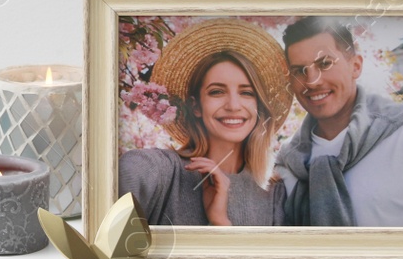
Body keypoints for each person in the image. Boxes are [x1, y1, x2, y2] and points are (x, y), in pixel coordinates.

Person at [119, 19, 292, 226]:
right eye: (217, 92)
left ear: (259, 107)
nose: (233, 105)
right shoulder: (160, 170)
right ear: (196, 107)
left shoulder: (274, 194)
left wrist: (220, 222)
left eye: (247, 93)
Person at [275, 17, 403, 227]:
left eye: (324, 64)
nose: (312, 81)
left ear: (355, 66)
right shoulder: (288, 162)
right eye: (299, 71)